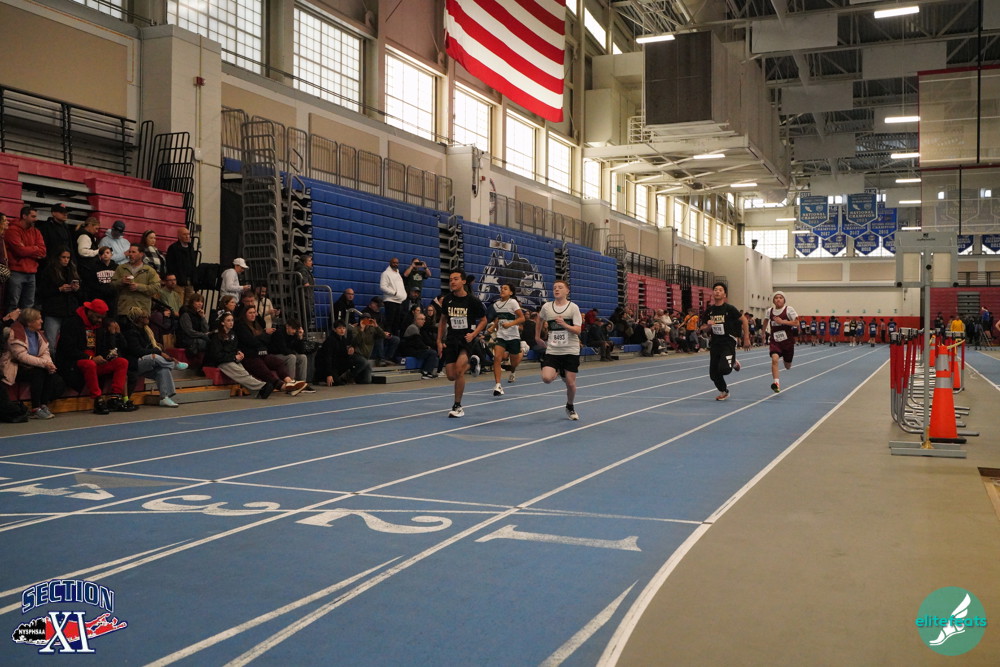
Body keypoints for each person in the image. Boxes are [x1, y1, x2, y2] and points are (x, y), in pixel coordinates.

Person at [55, 299, 131, 414]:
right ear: (90, 312)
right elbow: (67, 349)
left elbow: (104, 346)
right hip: (74, 363)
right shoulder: (71, 323)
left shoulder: (99, 326)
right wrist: (90, 358)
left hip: (95, 361)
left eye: (102, 318)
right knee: (89, 364)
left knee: (122, 362)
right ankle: (97, 399)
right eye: (98, 317)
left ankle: (115, 398)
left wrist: (108, 355)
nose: (100, 320)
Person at [437, 270, 487, 418]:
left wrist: (474, 334)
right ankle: (473, 364)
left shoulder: (473, 301)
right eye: (450, 279)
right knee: (451, 375)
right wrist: (439, 340)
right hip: (452, 339)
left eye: (456, 279)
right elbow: (443, 320)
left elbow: (484, 320)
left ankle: (457, 406)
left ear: (463, 281)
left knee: (459, 371)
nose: (452, 282)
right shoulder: (447, 300)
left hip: (466, 339)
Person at [1, 308, 66, 419]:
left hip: (33, 366)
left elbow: (45, 352)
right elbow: (22, 356)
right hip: (15, 367)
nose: (42, 321)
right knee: (38, 372)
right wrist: (44, 364)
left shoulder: (39, 334)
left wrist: (49, 364)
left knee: (49, 372)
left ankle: (43, 405)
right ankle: (35, 408)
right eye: (38, 319)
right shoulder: (14, 333)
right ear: (29, 322)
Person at [535, 280, 583, 420]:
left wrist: (564, 325)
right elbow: (539, 319)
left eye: (560, 287)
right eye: (555, 287)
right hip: (553, 350)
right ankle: (560, 370)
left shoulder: (573, 308)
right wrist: (537, 336)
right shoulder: (547, 307)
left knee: (570, 384)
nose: (557, 289)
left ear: (567, 291)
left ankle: (570, 406)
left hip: (571, 350)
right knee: (546, 379)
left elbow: (578, 330)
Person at [122, 306, 188, 407]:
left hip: (144, 362)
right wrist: (157, 352)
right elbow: (138, 351)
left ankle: (164, 398)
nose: (148, 318)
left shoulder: (146, 331)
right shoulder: (130, 332)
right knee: (154, 357)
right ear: (138, 319)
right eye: (145, 317)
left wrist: (158, 351)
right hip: (134, 363)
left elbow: (152, 348)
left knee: (162, 370)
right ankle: (173, 364)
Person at [233, 305, 307, 395]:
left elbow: (264, 340)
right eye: (250, 313)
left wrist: (300, 337)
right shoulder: (241, 326)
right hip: (249, 355)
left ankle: (290, 382)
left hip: (261, 353)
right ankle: (283, 387)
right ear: (245, 314)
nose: (253, 315)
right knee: (263, 368)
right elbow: (251, 341)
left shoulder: (257, 324)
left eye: (254, 312)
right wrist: (263, 335)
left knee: (278, 363)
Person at [701, 282, 750, 401]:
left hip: (728, 342)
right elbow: (702, 328)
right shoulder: (709, 311)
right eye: (715, 290)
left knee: (724, 369)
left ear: (724, 294)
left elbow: (744, 320)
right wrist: (708, 326)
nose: (717, 291)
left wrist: (746, 338)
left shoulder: (729, 309)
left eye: (720, 290)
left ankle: (732, 362)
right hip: (715, 343)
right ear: (713, 293)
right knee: (713, 374)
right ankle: (724, 391)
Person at [204, 312, 272, 399]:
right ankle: (262, 386)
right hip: (218, 362)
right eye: (228, 320)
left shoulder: (232, 334)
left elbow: (234, 348)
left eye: (232, 320)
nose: (231, 322)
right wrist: (233, 357)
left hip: (230, 359)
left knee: (243, 371)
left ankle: (260, 389)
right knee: (240, 372)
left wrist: (239, 352)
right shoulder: (216, 336)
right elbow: (216, 355)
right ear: (222, 323)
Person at [36, 246, 81, 352]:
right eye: (63, 257)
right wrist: (59, 289)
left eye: (68, 258)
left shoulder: (72, 270)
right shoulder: (49, 271)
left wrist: (76, 289)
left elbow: (81, 294)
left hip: (69, 312)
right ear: (57, 258)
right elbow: (42, 292)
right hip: (53, 312)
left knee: (68, 345)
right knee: (50, 345)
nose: (66, 260)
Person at [5, 206, 46, 311]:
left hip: (32, 272)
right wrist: (35, 248)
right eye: (33, 216)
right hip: (16, 271)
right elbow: (20, 251)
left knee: (29, 305)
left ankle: (25, 323)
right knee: (13, 303)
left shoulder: (36, 231)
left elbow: (43, 252)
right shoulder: (12, 230)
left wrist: (26, 249)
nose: (36, 219)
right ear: (24, 216)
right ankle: (10, 322)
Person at [488, 282, 525, 395]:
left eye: (505, 288)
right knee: (497, 358)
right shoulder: (496, 304)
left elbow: (522, 318)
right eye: (501, 288)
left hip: (513, 337)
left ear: (511, 292)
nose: (502, 290)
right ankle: (498, 385)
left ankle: (513, 371)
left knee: (513, 363)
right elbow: (499, 318)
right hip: (501, 336)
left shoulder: (513, 302)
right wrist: (493, 327)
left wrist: (510, 324)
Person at [316, 319, 372, 385]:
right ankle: (324, 378)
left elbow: (346, 353)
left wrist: (350, 351)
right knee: (337, 383)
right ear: (334, 329)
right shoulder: (330, 341)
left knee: (360, 361)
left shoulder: (343, 339)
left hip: (338, 364)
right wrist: (329, 374)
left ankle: (350, 377)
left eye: (344, 328)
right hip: (329, 366)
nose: (342, 330)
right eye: (339, 328)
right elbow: (327, 358)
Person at [112, 243, 161, 317]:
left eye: (133, 252)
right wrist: (121, 282)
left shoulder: (149, 270)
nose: (130, 254)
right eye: (129, 252)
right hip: (124, 310)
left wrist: (139, 287)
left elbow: (156, 288)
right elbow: (112, 285)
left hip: (142, 312)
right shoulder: (121, 268)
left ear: (141, 254)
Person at [766, 291, 798, 393]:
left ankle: (786, 359)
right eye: (776, 298)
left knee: (787, 366)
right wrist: (763, 333)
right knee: (774, 359)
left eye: (780, 297)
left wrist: (782, 321)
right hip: (775, 341)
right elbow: (765, 321)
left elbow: (797, 323)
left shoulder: (789, 309)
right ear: (773, 300)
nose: (778, 299)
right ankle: (776, 384)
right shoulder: (769, 311)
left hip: (788, 342)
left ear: (784, 300)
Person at [268, 317, 312, 390]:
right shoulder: (279, 333)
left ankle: (302, 383)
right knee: (291, 357)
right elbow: (284, 350)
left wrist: (300, 337)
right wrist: (293, 353)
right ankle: (291, 383)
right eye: (293, 328)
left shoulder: (294, 334)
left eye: (296, 329)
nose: (294, 331)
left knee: (303, 357)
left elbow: (301, 351)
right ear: (287, 326)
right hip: (274, 355)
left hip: (286, 354)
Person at [399, 311, 440, 379]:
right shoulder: (413, 328)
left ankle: (428, 371)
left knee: (431, 351)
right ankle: (425, 372)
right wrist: (426, 347)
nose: (424, 321)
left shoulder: (418, 329)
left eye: (424, 319)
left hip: (414, 349)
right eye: (422, 319)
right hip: (409, 350)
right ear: (416, 320)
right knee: (432, 353)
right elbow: (417, 342)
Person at [177, 292, 210, 366]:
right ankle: (204, 365)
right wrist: (203, 335)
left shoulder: (198, 314)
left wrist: (202, 317)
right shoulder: (186, 313)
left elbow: (206, 329)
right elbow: (189, 331)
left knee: (212, 341)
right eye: (197, 301)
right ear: (192, 302)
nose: (200, 303)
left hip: (196, 338)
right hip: (186, 339)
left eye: (201, 301)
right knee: (206, 343)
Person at [36, 203, 72, 270]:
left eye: (66, 212)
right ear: (53, 213)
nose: (65, 214)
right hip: (49, 266)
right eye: (61, 212)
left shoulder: (66, 228)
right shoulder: (45, 228)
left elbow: (70, 246)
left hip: (64, 265)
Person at [379, 257, 406, 335]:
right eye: (394, 262)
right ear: (390, 263)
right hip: (390, 301)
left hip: (399, 302)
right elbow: (382, 287)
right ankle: (388, 339)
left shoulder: (398, 274)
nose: (395, 264)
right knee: (389, 323)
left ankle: (395, 339)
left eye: (397, 263)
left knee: (396, 324)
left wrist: (404, 295)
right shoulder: (385, 273)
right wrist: (394, 293)